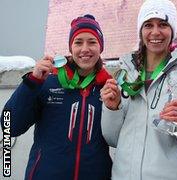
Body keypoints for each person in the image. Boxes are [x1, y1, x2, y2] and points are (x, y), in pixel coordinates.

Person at [100, 0, 177, 179]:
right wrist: (112, 109)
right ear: (140, 31)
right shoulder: (124, 74)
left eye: (163, 24)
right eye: (148, 25)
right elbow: (113, 139)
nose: (155, 32)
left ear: (173, 30)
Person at [1, 14, 112, 180]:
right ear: (71, 47)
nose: (85, 49)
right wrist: (32, 82)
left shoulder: (109, 88)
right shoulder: (48, 81)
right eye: (78, 42)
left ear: (100, 47)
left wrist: (115, 106)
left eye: (92, 42)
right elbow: (10, 126)